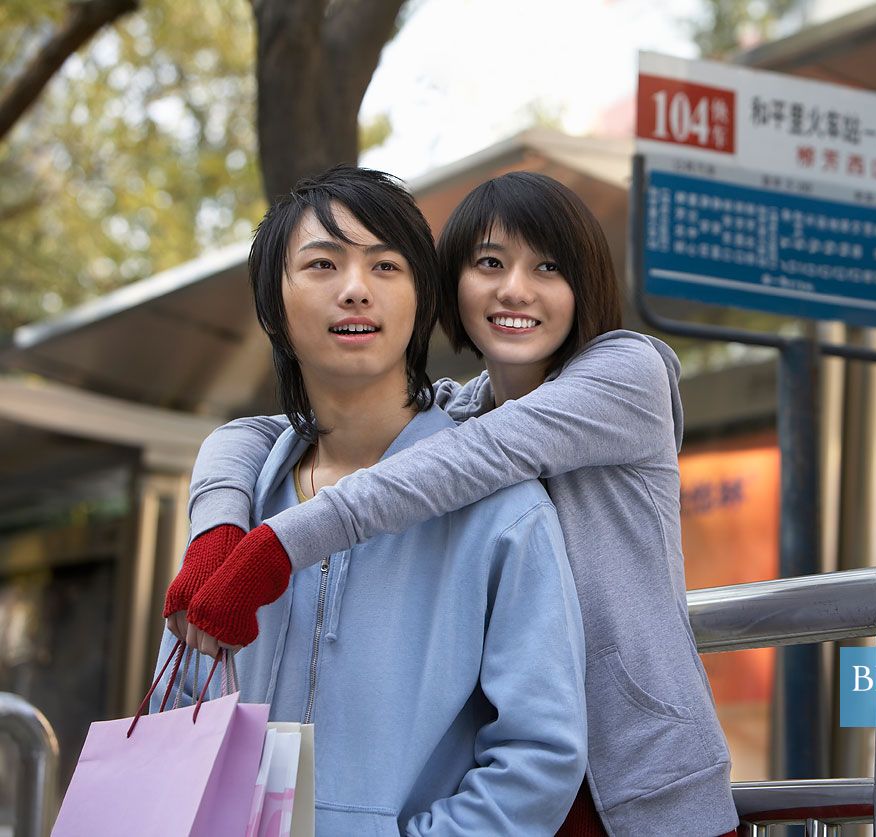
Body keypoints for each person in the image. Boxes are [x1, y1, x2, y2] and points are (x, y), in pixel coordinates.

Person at [169, 171, 740, 836]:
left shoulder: (626, 373)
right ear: (453, 287)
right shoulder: (464, 409)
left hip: (641, 780)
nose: (514, 289)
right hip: (518, 782)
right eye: (489, 263)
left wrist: (276, 545)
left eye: (548, 266)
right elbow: (257, 433)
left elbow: (474, 457)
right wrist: (217, 527)